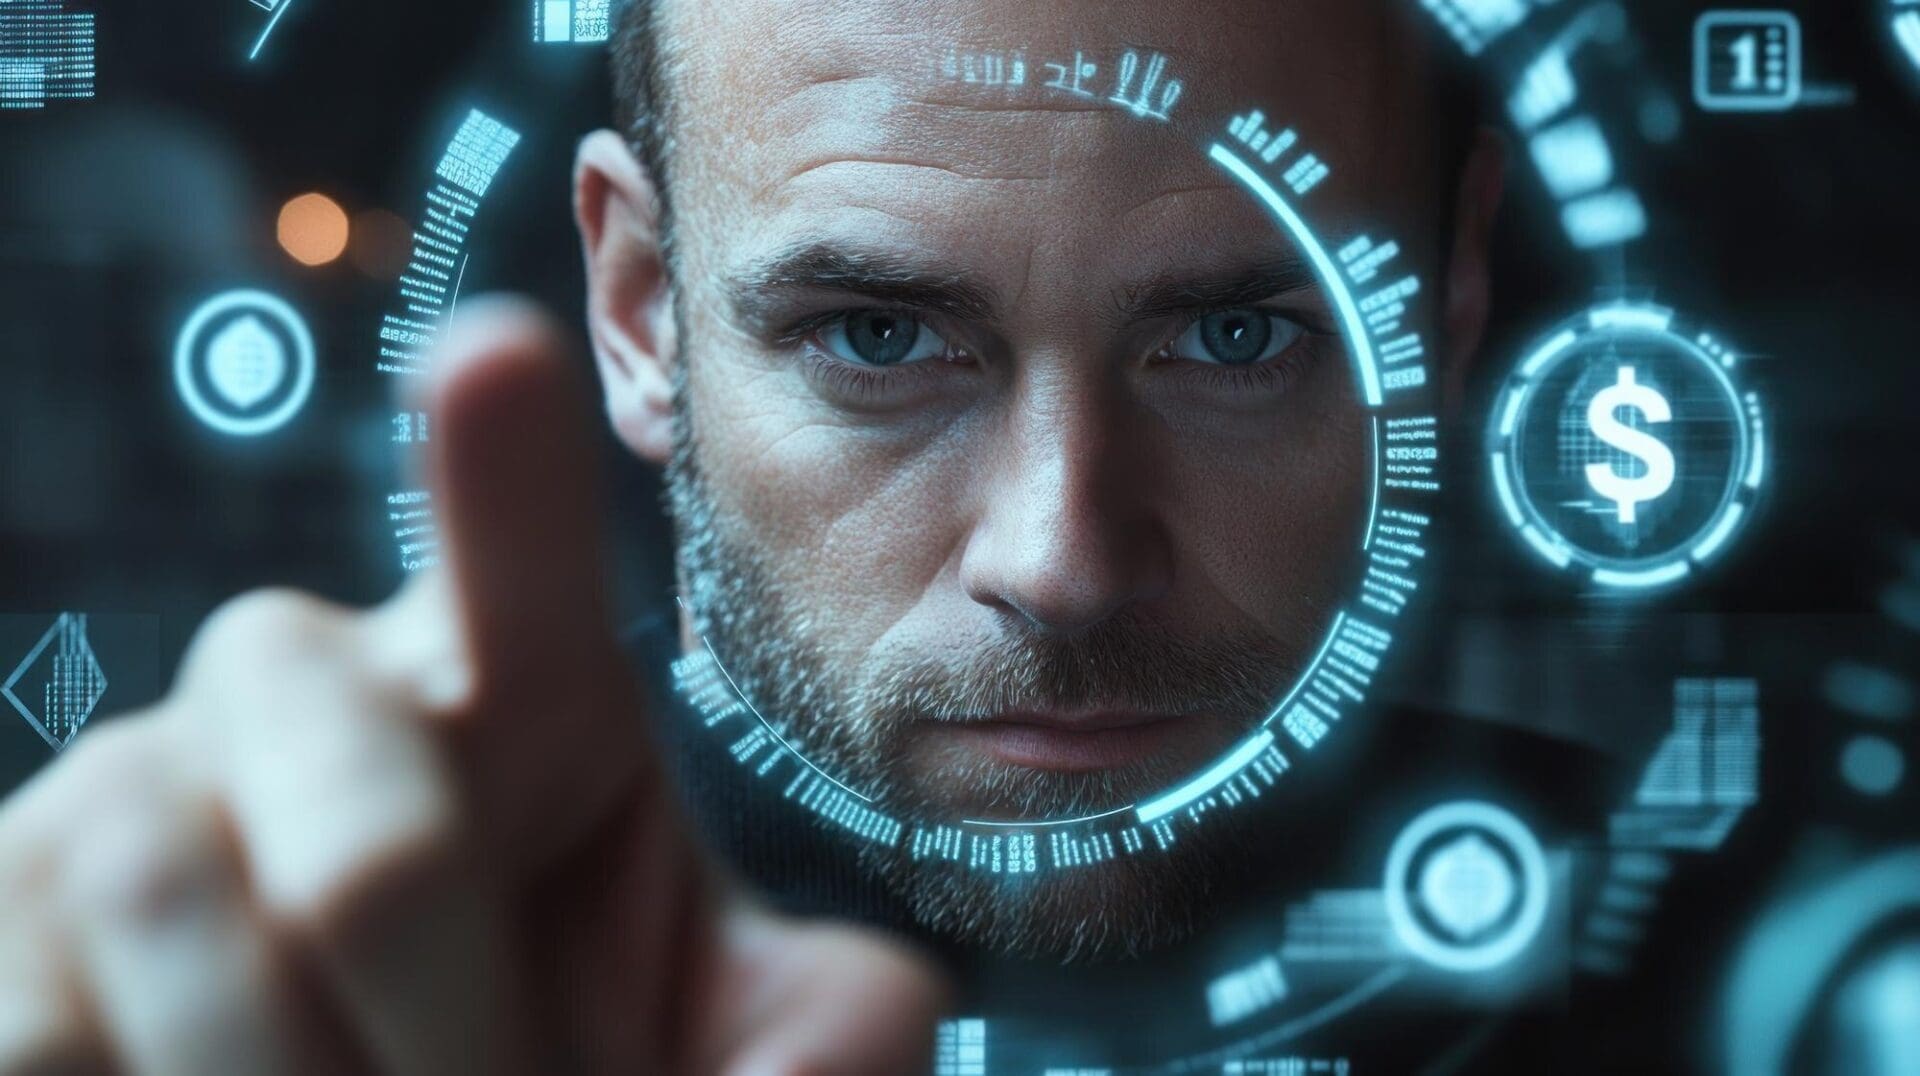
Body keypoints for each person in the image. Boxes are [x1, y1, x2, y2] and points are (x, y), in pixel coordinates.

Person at [0, 0, 1504, 1070]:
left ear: (1448, 308)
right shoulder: (421, 929)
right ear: (640, 314)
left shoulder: (1692, 977)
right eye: (875, 334)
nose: (1060, 560)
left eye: (1236, 338)